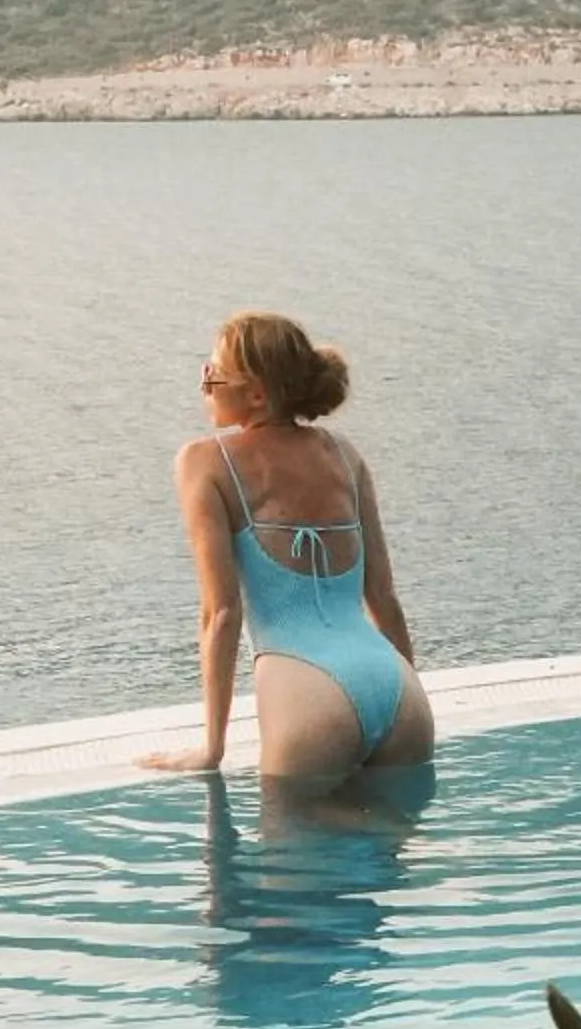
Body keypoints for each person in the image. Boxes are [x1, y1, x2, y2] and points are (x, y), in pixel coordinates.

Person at [141, 311, 435, 780]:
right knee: (390, 826)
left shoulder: (205, 462)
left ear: (257, 394)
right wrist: (411, 691)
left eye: (214, 372)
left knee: (292, 827)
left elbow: (221, 614)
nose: (204, 382)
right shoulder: (345, 455)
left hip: (307, 693)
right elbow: (383, 598)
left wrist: (211, 748)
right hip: (397, 688)